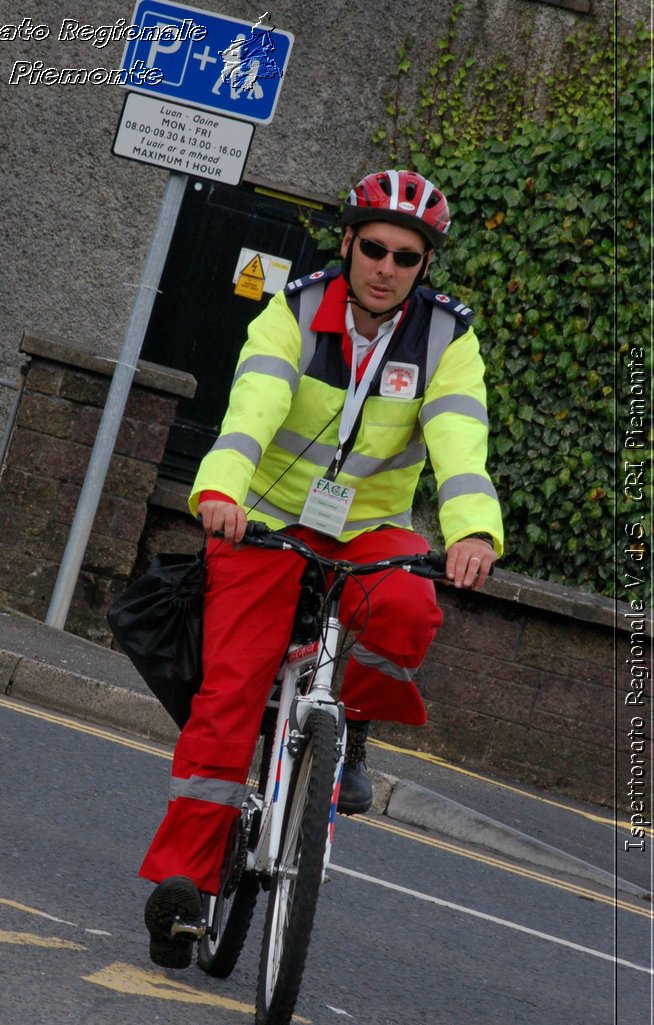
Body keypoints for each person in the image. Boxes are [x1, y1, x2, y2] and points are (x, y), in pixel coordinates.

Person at [141, 169, 504, 968]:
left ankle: (352, 727)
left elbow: (459, 442)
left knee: (409, 612)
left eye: (406, 257)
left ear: (423, 266)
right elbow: (253, 408)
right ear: (348, 243)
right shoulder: (296, 311)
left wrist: (473, 530)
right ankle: (181, 887)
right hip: (265, 516)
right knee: (231, 690)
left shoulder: (447, 338)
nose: (385, 266)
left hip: (369, 526)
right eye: (372, 247)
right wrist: (221, 490)